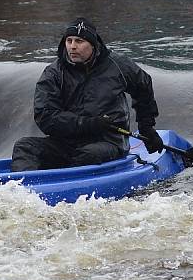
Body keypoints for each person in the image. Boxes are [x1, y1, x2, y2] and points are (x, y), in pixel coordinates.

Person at [10, 17, 164, 172]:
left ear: (93, 44)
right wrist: (88, 123)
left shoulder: (118, 66)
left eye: (79, 41)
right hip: (66, 143)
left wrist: (146, 127)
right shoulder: (54, 73)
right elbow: (45, 117)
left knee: (89, 155)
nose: (72, 47)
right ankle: (23, 190)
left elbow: (143, 87)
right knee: (24, 147)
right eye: (69, 41)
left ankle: (67, 182)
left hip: (108, 141)